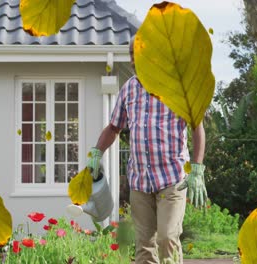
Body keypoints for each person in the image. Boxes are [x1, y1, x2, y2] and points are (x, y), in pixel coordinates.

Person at [86, 36, 207, 264]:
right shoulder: (129, 89)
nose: (133, 60)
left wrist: (198, 168)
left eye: (137, 54)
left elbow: (197, 127)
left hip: (172, 178)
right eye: (131, 55)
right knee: (144, 246)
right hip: (140, 182)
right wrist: (95, 153)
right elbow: (114, 128)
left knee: (168, 239)